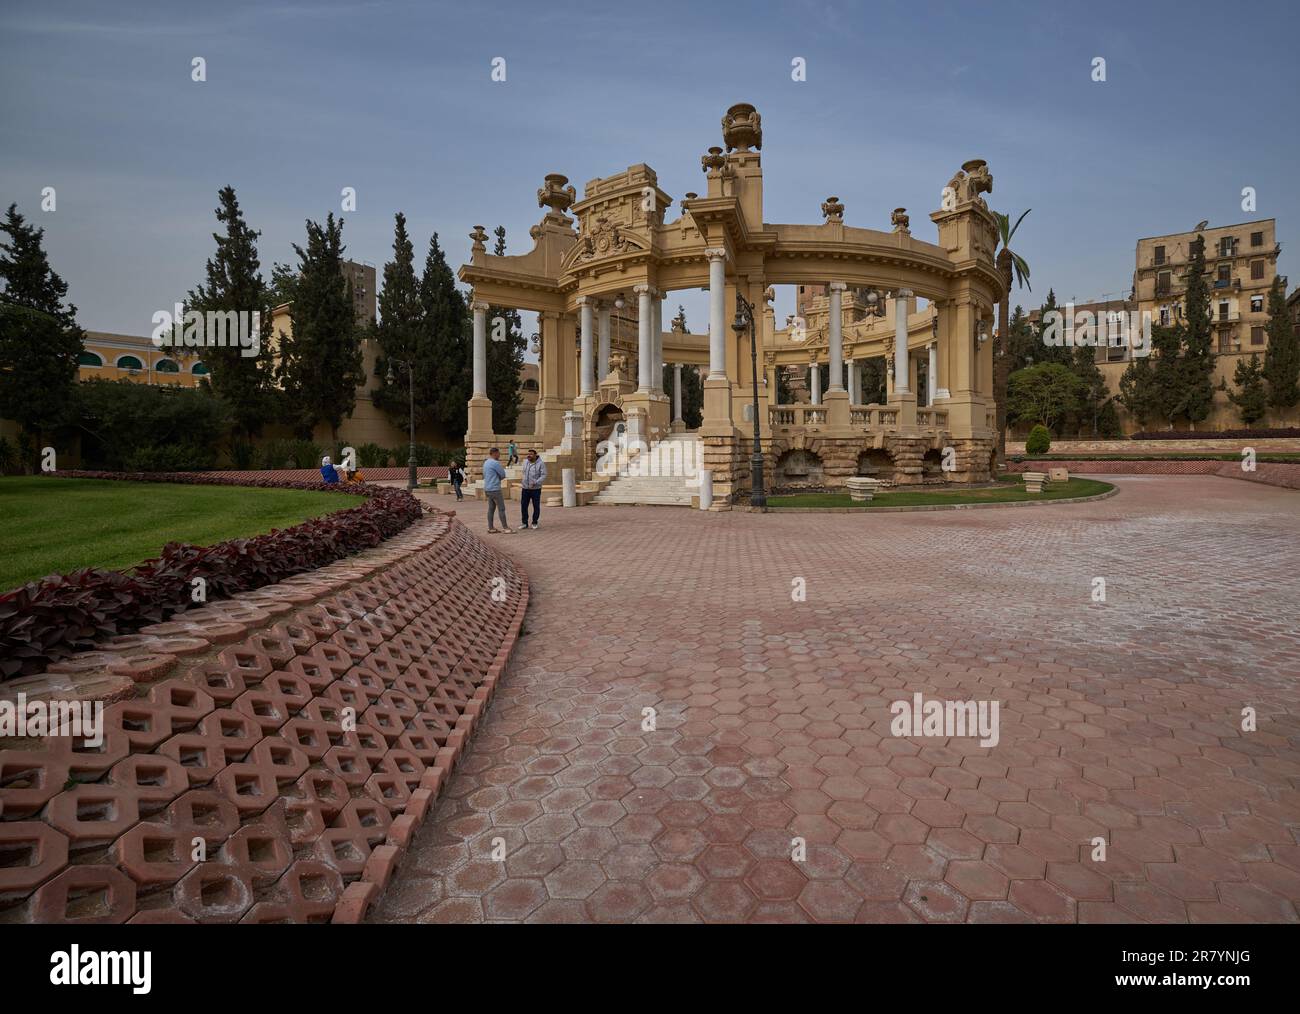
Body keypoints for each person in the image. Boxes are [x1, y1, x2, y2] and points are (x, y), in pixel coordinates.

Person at [482, 448, 511, 533]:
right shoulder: (495, 463)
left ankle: (491, 528)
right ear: (494, 453)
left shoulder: (486, 462)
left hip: (487, 488)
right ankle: (506, 528)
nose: (499, 455)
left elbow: (484, 475)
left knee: (491, 509)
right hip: (495, 488)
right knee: (501, 508)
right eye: (499, 453)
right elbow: (502, 475)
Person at [519, 448, 546, 529]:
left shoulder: (541, 464)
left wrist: (536, 482)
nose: (529, 455)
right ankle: (524, 523)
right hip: (525, 488)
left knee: (536, 506)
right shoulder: (525, 462)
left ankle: (534, 522)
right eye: (528, 454)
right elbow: (523, 473)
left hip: (535, 489)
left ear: (535, 455)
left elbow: (543, 475)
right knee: (523, 506)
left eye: (531, 454)